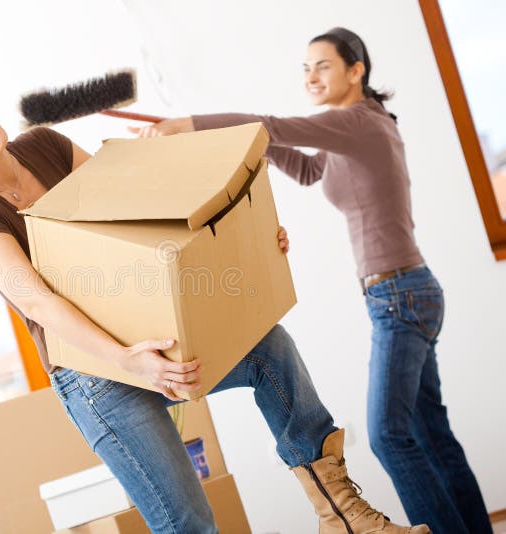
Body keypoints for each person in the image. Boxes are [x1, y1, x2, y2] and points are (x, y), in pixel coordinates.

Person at [0, 81, 429, 534]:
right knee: (187, 522)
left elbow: (141, 213)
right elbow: (39, 303)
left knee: (272, 350)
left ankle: (343, 515)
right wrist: (128, 360)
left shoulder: (47, 145)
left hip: (144, 331)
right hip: (94, 374)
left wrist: (251, 232)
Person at [132, 27, 491, 534]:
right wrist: (258, 140)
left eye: (322, 65)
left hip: (400, 296)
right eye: (305, 68)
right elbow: (305, 169)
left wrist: (186, 126)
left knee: (390, 436)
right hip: (406, 293)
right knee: (431, 435)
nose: (311, 76)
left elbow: (275, 126)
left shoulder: (358, 121)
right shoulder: (361, 128)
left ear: (356, 70)